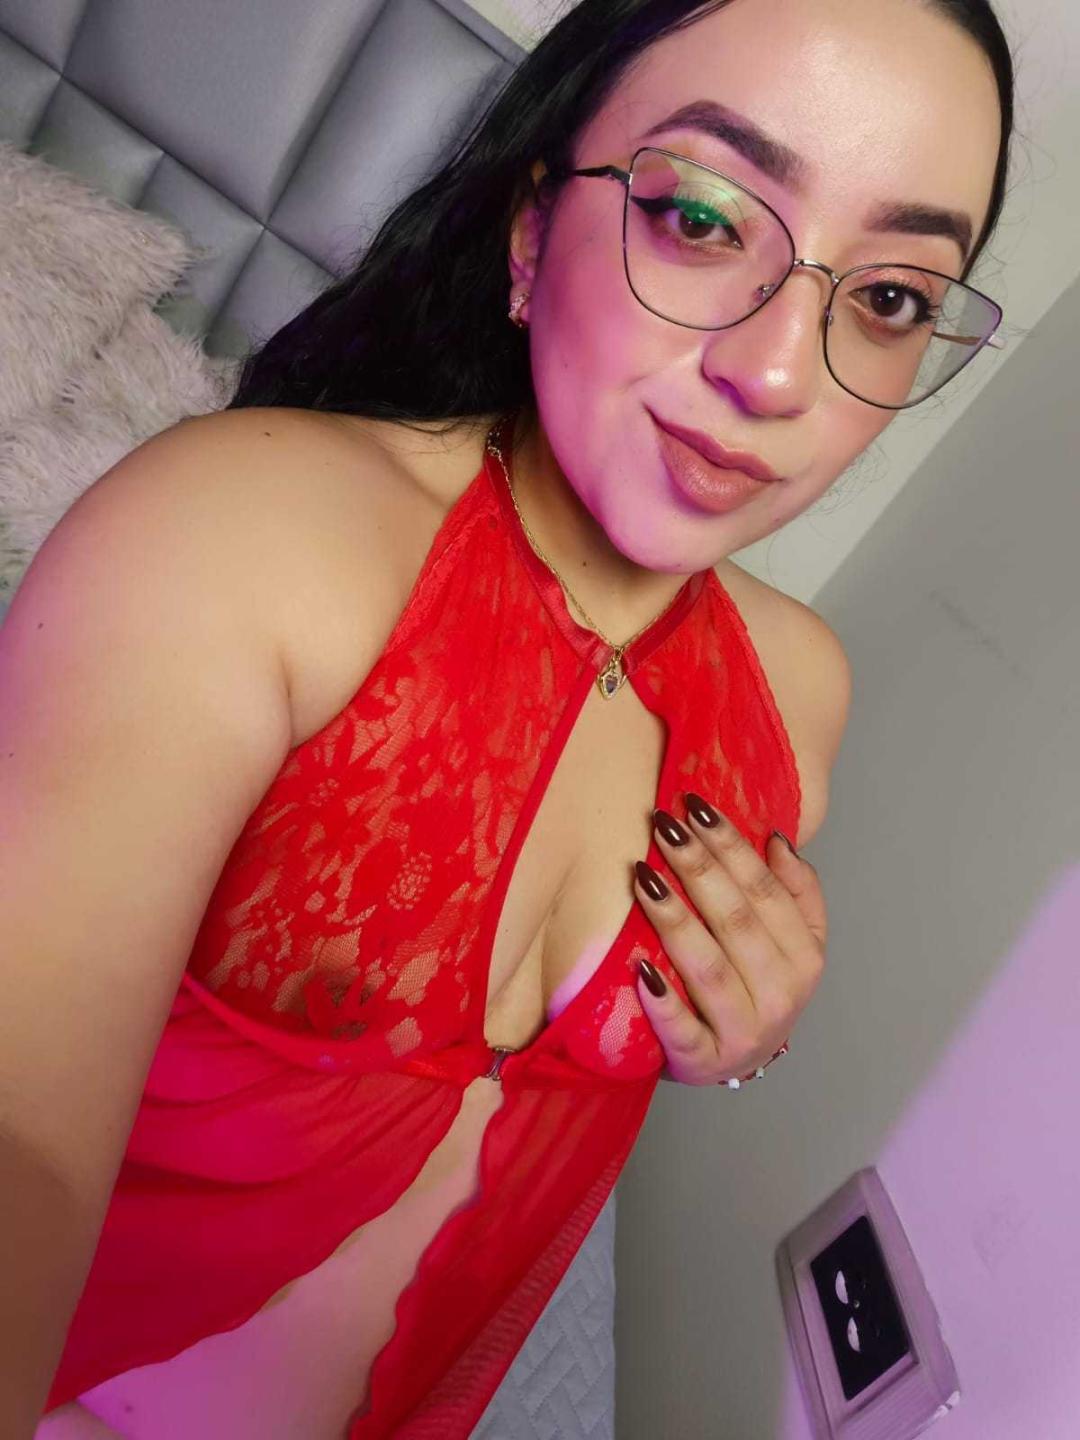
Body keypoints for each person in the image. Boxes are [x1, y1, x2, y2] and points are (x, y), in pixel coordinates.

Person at [2, 0, 1015, 1435]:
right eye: (703, 218)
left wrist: (738, 1039)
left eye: (893, 298)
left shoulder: (800, 696)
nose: (781, 374)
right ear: (532, 237)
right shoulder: (236, 541)